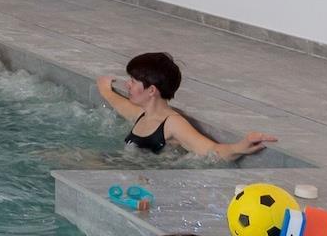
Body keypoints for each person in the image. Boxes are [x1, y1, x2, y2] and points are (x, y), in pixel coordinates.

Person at [97, 52, 277, 159]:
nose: (127, 84)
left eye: (133, 81)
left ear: (151, 90)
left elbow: (210, 150)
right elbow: (121, 105)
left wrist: (240, 147)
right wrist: (105, 90)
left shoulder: (172, 124)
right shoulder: (143, 114)